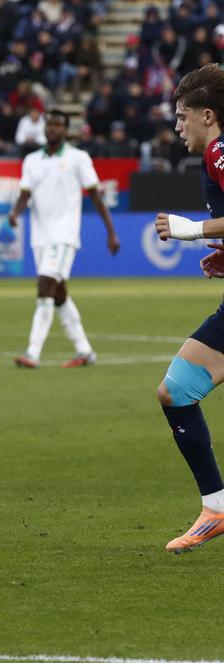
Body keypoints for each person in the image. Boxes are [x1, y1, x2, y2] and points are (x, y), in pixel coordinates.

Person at [153, 64, 224, 552]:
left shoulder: (220, 151)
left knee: (176, 391)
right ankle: (216, 507)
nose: (178, 126)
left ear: (207, 115)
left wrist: (192, 230)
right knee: (176, 391)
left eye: (182, 116)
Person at [8, 110, 120, 369]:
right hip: (40, 236)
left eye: (58, 125)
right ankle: (85, 351)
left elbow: (95, 196)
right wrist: (14, 214)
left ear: (66, 130)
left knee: (45, 285)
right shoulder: (32, 160)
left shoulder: (78, 158)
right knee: (58, 294)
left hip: (64, 234)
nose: (53, 129)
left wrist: (111, 232)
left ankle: (33, 352)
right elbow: (25, 193)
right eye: (50, 124)